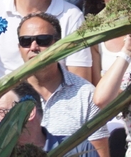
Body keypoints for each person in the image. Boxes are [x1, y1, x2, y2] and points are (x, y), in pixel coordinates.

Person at [15, 12, 111, 157]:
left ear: (59, 44)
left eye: (43, 40)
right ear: (19, 47)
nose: (33, 47)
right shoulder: (6, 95)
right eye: (25, 41)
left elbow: (99, 153)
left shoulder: (86, 95)